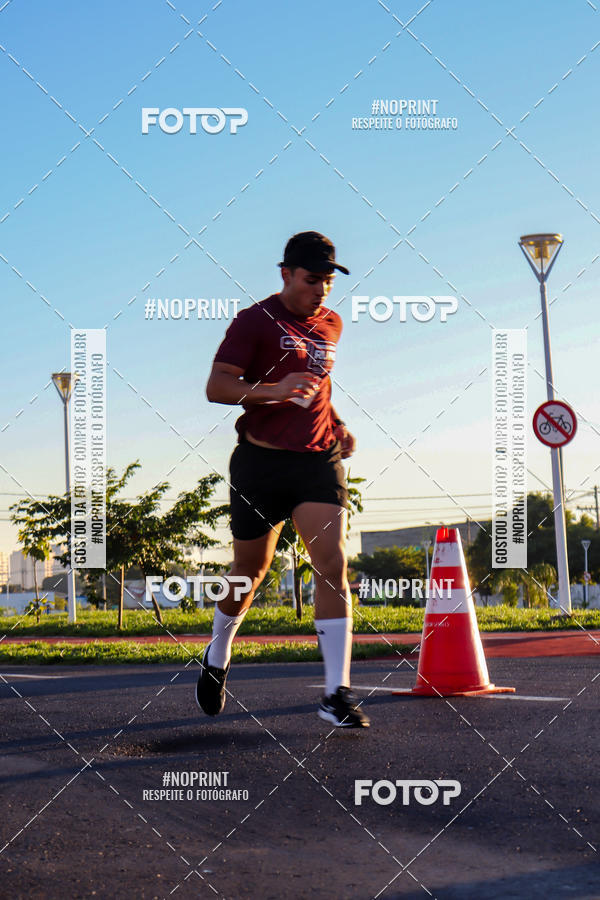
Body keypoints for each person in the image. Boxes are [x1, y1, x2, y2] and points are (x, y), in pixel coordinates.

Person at [196, 231, 369, 728]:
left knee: (331, 562)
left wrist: (335, 423)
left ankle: (336, 693)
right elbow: (217, 387)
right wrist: (273, 389)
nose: (321, 291)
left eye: (329, 281)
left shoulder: (331, 324)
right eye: (312, 279)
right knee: (251, 570)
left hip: (317, 460)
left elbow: (317, 387)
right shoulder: (254, 321)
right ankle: (219, 651)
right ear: (286, 274)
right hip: (260, 463)